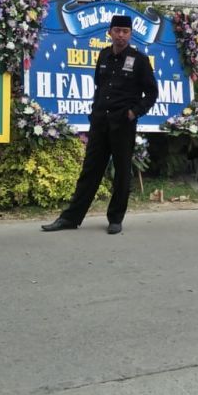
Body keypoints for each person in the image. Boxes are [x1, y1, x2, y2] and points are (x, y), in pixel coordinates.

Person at [43, 15, 158, 234]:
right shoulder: (104, 55)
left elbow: (152, 93)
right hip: (100, 122)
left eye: (125, 31)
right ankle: (70, 218)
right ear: (110, 32)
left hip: (123, 124)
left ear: (131, 34)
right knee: (90, 171)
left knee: (122, 173)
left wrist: (134, 112)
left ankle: (115, 218)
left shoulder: (139, 60)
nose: (120, 35)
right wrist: (94, 112)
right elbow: (99, 86)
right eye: (117, 30)